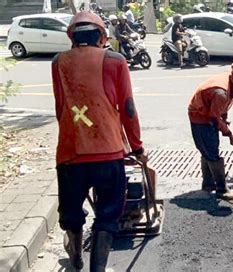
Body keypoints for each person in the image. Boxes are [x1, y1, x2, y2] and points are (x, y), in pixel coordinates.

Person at [51, 11, 146, 272]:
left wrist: (77, 133)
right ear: (102, 36)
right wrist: (136, 147)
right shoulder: (115, 61)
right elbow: (127, 108)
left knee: (71, 212)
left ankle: (76, 259)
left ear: (72, 37)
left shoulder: (58, 62)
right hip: (108, 152)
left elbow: (61, 109)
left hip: (70, 154)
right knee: (108, 214)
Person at [188, 57, 233, 200]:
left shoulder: (231, 82)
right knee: (212, 153)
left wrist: (224, 119)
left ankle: (208, 184)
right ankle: (221, 189)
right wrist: (229, 133)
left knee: (209, 150)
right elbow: (214, 117)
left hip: (209, 114)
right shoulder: (221, 92)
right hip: (201, 118)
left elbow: (222, 109)